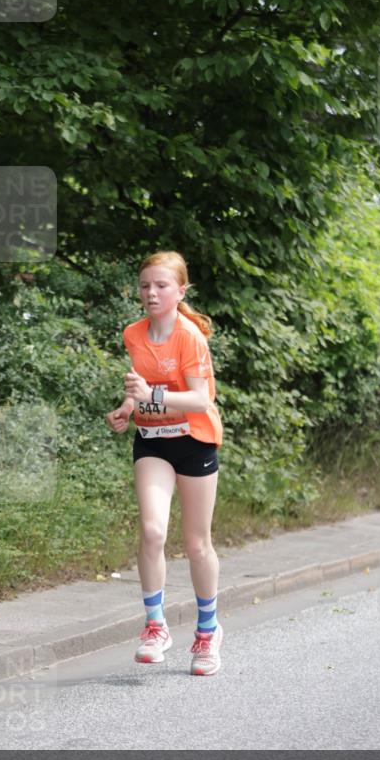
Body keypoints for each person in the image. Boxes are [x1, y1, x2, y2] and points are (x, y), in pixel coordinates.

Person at [105, 251, 224, 676]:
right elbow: (141, 386)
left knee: (196, 544)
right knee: (153, 531)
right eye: (144, 285)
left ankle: (207, 633)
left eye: (161, 286)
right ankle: (156, 627)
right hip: (152, 439)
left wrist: (152, 397)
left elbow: (200, 400)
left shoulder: (190, 336)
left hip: (194, 441)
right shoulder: (133, 334)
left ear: (180, 292)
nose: (151, 293)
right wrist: (126, 407)